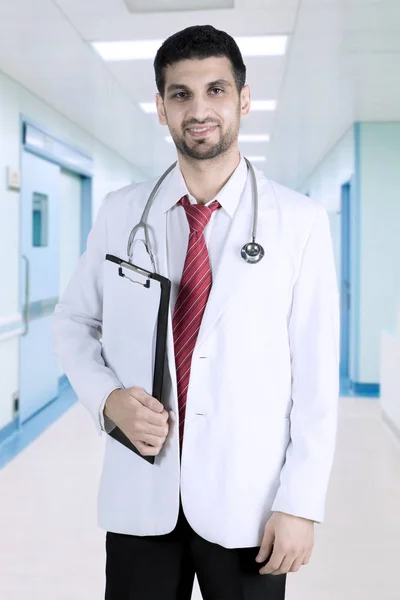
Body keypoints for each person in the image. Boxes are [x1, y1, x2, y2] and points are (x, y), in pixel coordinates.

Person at [53, 24, 340, 600]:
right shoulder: (121, 213)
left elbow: (314, 377)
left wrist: (300, 503)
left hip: (249, 508)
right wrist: (109, 401)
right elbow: (74, 324)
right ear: (161, 108)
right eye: (180, 94)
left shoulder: (300, 222)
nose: (199, 109)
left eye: (215, 90)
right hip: (143, 495)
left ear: (244, 99)